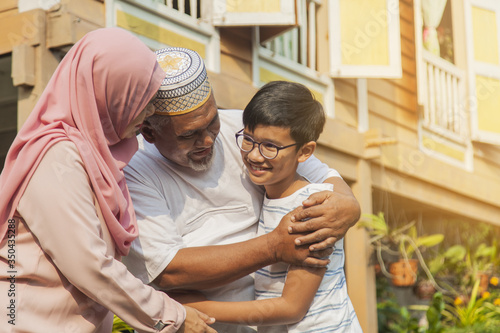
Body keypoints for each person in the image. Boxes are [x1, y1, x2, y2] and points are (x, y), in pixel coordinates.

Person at [122, 47, 361, 332]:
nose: (208, 140)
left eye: (212, 122)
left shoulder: (247, 132)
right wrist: (273, 247)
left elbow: (324, 179)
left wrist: (350, 206)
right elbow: (169, 271)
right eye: (189, 135)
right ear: (149, 133)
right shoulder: (133, 171)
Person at [0, 28, 216, 333]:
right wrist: (170, 316)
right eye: (140, 98)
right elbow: (88, 263)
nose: (150, 112)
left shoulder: (97, 156)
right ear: (107, 94)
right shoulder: (56, 157)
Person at [176, 81, 363, 332]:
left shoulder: (311, 209)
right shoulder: (272, 194)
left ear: (305, 152)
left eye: (270, 146)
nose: (254, 155)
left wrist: (191, 305)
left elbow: (291, 307)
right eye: (249, 140)